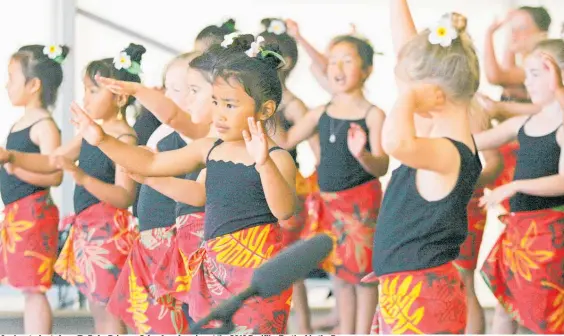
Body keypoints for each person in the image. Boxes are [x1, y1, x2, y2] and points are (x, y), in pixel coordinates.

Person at [68, 34, 296, 334]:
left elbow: (284, 211)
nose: (219, 114)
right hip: (214, 271)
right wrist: (103, 140)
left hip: (254, 277)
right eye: (215, 102)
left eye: (230, 105)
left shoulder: (277, 158)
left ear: (265, 110)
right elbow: (163, 171)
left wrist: (263, 163)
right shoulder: (210, 148)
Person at [367, 1, 482, 334]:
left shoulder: (447, 151)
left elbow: (395, 144)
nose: (404, 96)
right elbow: (407, 51)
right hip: (412, 288)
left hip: (422, 295)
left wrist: (408, 99)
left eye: (410, 91)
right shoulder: (439, 133)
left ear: (433, 95)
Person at [478, 39, 564, 335]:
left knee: (545, 317)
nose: (526, 82)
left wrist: (515, 186)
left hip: (549, 236)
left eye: (535, 74)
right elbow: (473, 142)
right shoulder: (524, 122)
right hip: (518, 232)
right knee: (505, 311)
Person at [0, 44, 68, 334]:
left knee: (34, 288)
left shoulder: (44, 124)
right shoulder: (21, 121)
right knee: (27, 288)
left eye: (12, 78)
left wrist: (16, 167)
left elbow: (54, 174)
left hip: (34, 213)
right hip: (18, 214)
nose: (6, 85)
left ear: (34, 84)